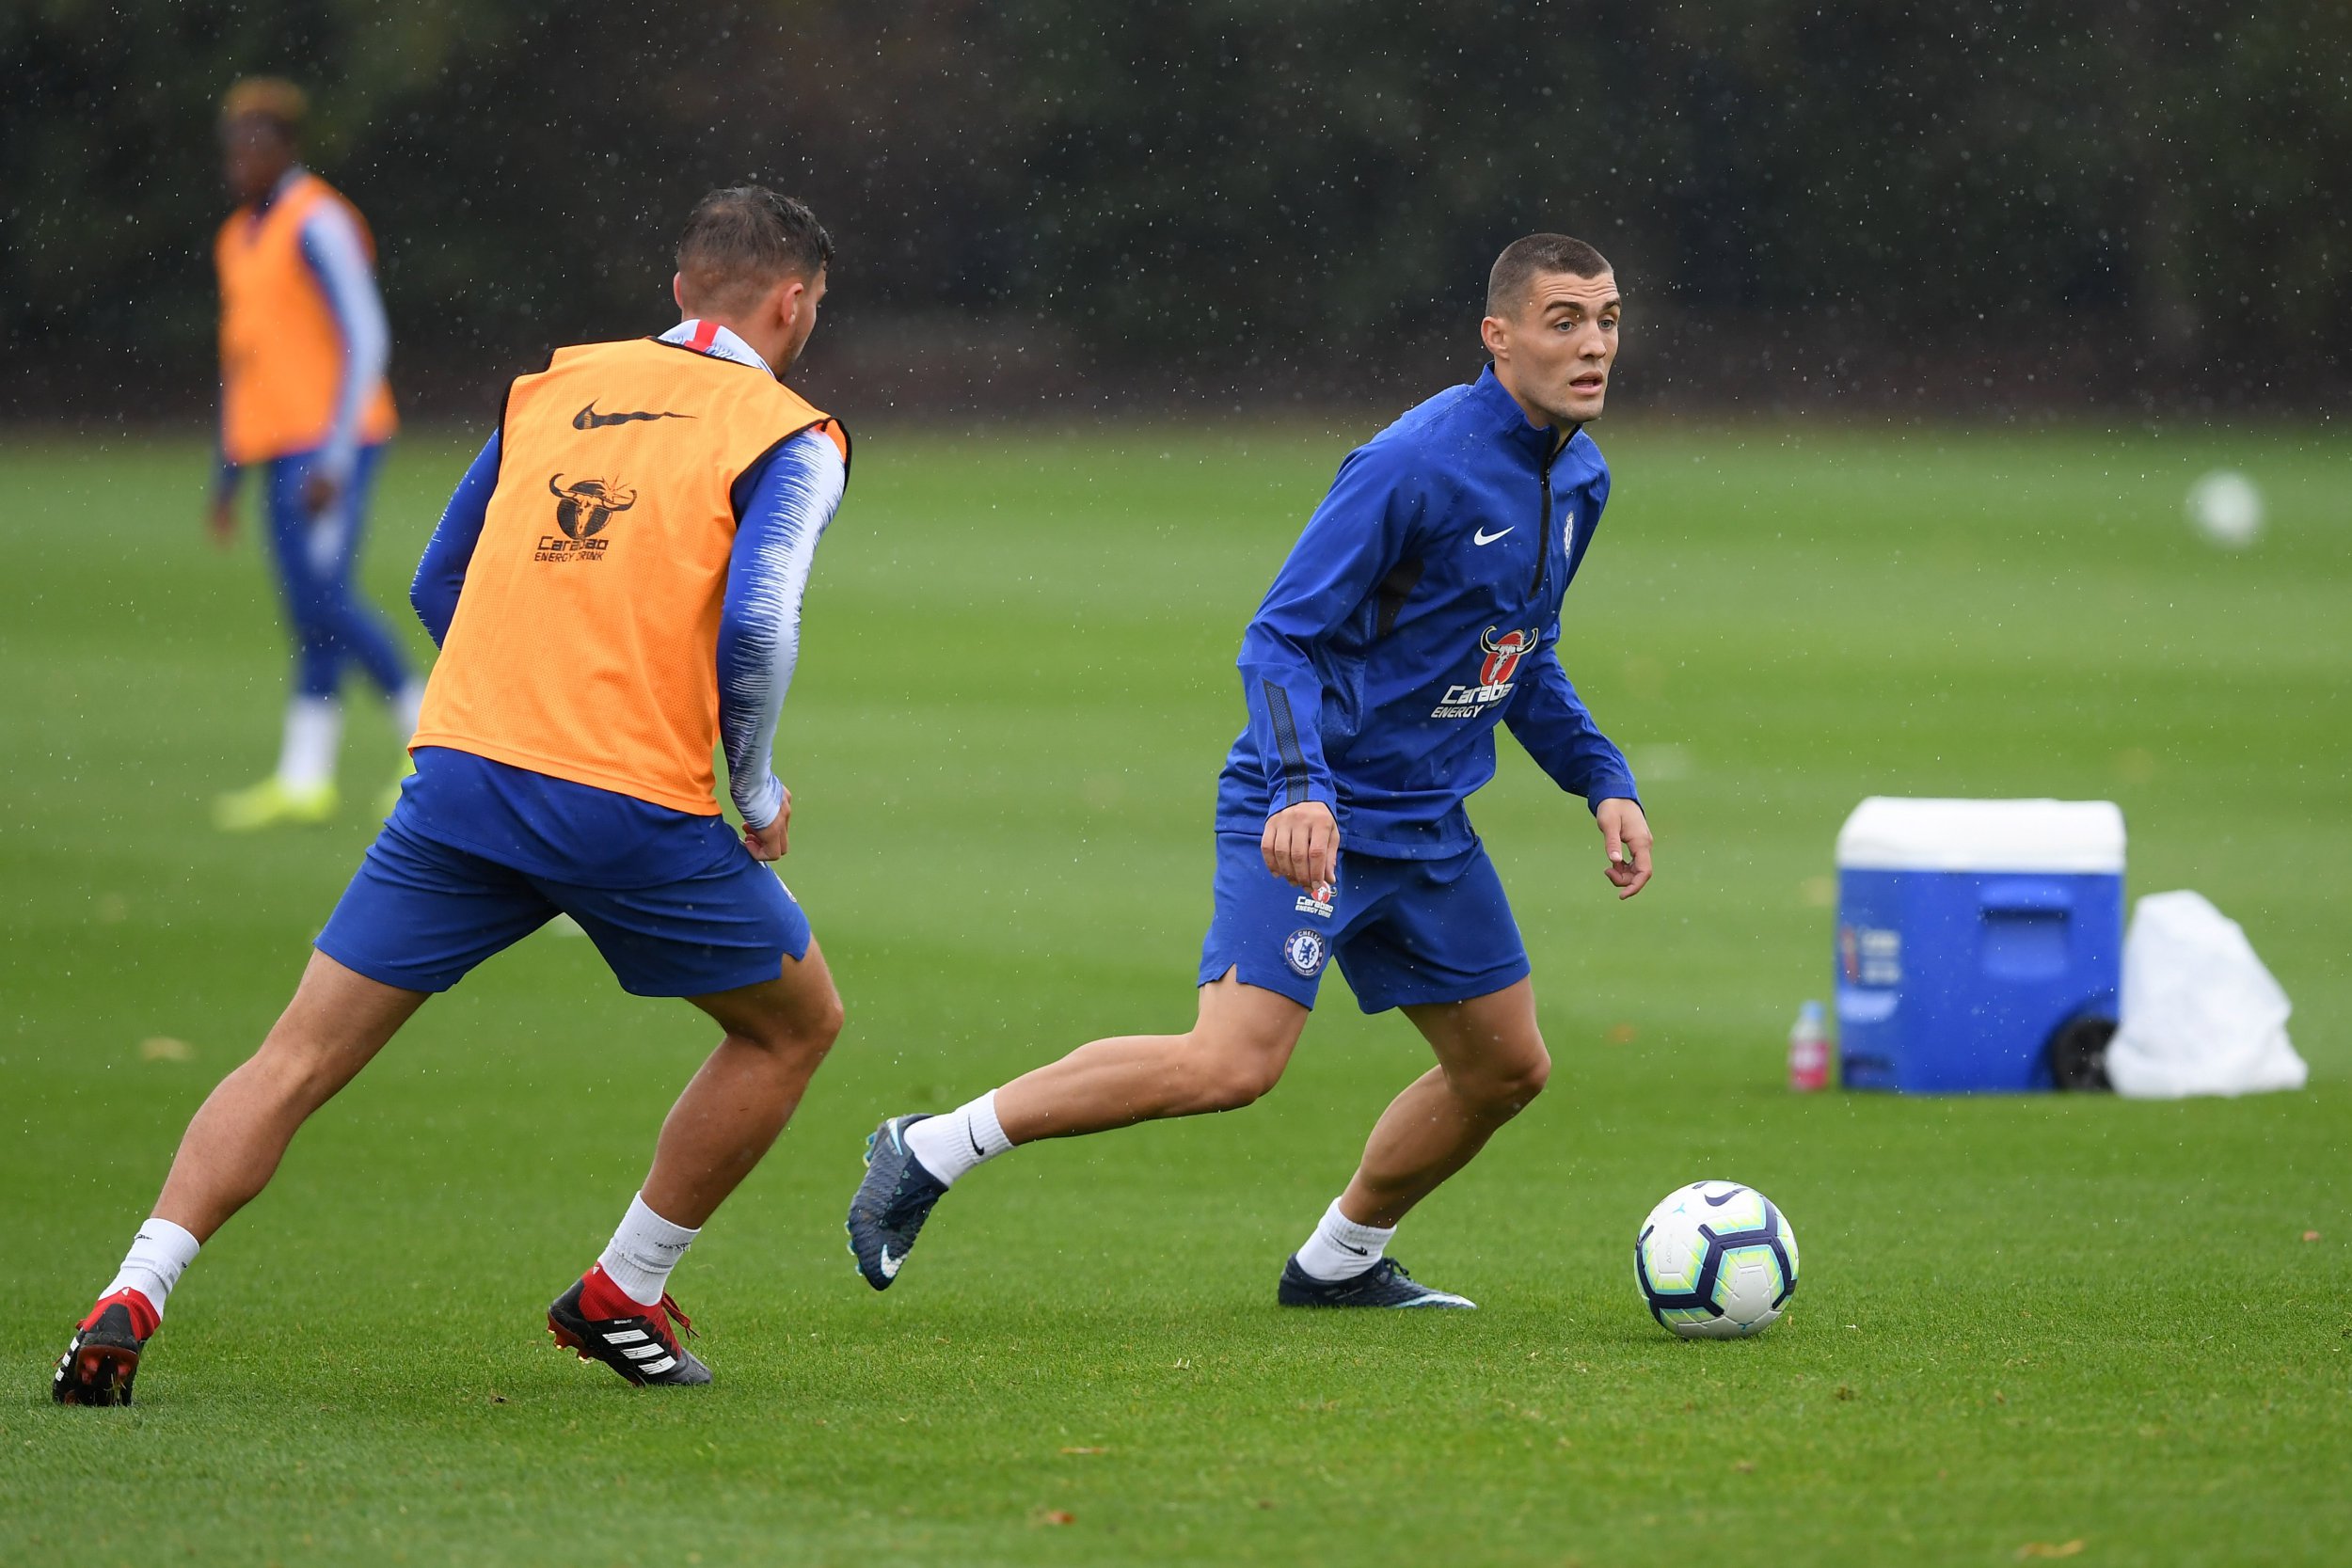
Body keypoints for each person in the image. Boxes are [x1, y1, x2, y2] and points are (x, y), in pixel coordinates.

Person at [54, 187, 850, 1404]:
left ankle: (134, 1285)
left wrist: (506, 700)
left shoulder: (552, 387)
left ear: (683, 288)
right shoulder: (789, 432)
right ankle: (624, 1285)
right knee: (794, 1024)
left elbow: (440, 578)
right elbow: (759, 620)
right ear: (794, 301)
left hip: (463, 777)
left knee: (295, 1054)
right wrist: (753, 783)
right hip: (625, 795)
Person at [848, 234, 1652, 1308]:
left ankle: (1338, 1260)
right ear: (1497, 337)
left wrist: (1603, 779)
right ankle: (933, 1144)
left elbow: (1520, 650)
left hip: (1428, 827)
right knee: (1229, 1065)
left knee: (1506, 1069)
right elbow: (1279, 638)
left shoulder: (1581, 476)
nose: (1592, 343)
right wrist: (1297, 786)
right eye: (1564, 320)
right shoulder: (1411, 464)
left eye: (1604, 318)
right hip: (1314, 809)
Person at [207, 78, 425, 830]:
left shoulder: (318, 221)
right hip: (276, 446)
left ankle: (427, 738)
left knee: (328, 596)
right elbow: (245, 361)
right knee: (308, 608)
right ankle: (305, 776)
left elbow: (368, 336)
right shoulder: (239, 236)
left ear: (286, 148)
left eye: (255, 144)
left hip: (333, 442)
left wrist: (334, 457)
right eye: (234, 146)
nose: (240, 160)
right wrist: (226, 470)